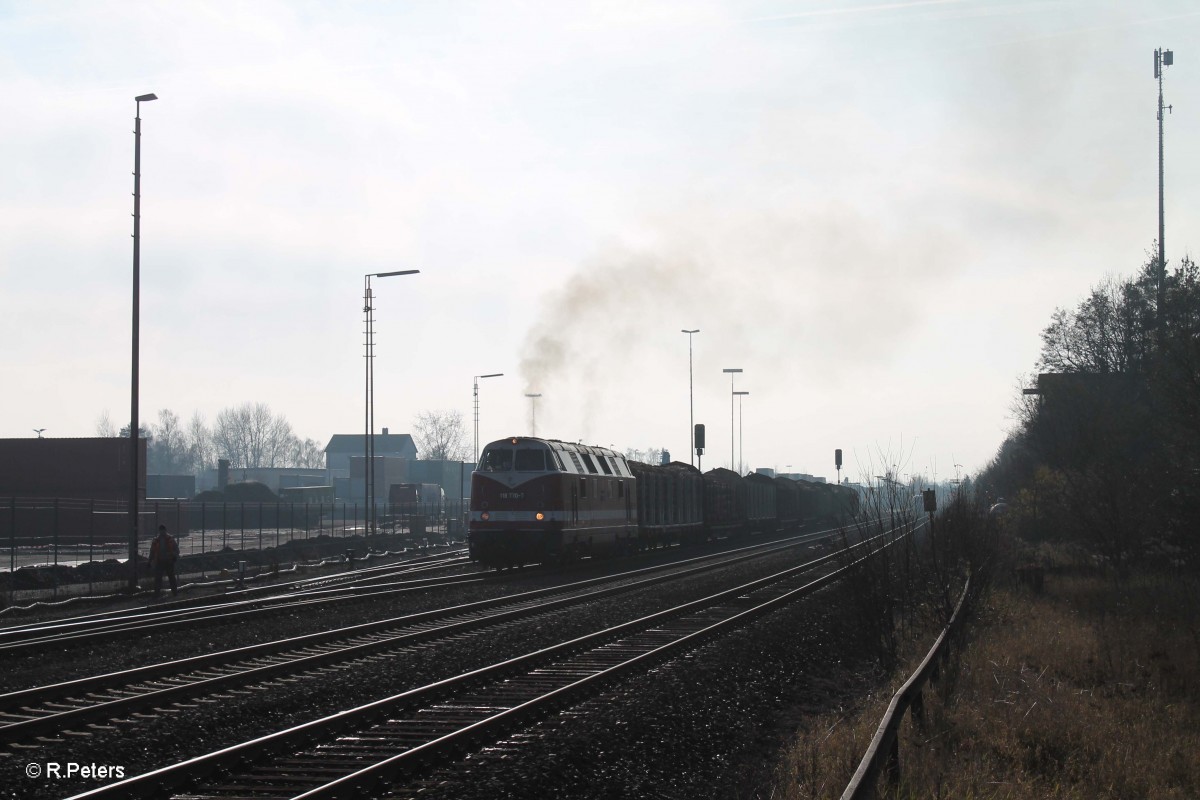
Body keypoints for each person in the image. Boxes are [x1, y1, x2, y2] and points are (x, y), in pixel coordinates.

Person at [149, 524, 180, 598]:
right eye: (161, 530)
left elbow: (177, 550)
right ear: (159, 531)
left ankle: (174, 593)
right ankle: (157, 594)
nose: (162, 532)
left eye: (163, 530)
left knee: (171, 578)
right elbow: (152, 551)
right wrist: (149, 561)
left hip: (169, 561)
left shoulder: (170, 539)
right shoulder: (156, 540)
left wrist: (174, 556)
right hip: (160, 562)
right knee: (159, 579)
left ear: (165, 530)